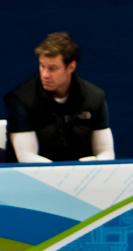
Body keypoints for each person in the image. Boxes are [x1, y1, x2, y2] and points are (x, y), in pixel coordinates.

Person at [4, 32, 114, 163]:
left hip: (81, 178)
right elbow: (26, 157)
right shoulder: (22, 100)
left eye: (52, 68)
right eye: (42, 66)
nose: (45, 74)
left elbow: (105, 152)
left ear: (71, 67)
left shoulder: (95, 98)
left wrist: (87, 168)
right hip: (34, 180)